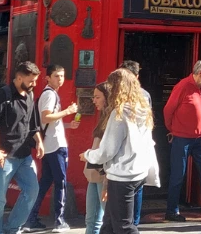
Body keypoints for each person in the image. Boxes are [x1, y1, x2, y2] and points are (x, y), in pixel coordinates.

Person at [80, 69, 159, 234]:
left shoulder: (120, 113)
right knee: (108, 225)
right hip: (138, 172)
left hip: (123, 176)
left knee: (124, 227)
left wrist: (87, 155)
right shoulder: (142, 110)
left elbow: (107, 151)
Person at [0, 62, 45, 234]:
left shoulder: (31, 95)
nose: (34, 84)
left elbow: (33, 124)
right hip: (4, 155)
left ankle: (12, 228)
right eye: (31, 80)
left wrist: (39, 141)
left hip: (24, 155)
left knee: (32, 191)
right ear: (19, 78)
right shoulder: (3, 95)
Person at [163, 60, 201, 223]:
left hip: (199, 138)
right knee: (178, 175)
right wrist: (173, 129)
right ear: (200, 73)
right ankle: (172, 211)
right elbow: (168, 110)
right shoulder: (183, 86)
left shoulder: (200, 88)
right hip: (182, 138)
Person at [26, 65, 80, 232]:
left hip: (49, 144)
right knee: (61, 182)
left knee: (44, 183)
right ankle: (59, 221)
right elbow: (46, 116)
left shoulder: (48, 94)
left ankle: (31, 218)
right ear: (47, 78)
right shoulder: (49, 94)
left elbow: (47, 122)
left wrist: (67, 124)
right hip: (56, 146)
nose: (60, 79)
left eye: (62, 76)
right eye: (56, 76)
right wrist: (68, 111)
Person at [119, 60, 151, 225]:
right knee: (137, 186)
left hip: (126, 147)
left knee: (128, 187)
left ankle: (129, 223)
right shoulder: (145, 95)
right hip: (140, 146)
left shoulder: (118, 95)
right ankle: (133, 223)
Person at [84, 82, 111, 234]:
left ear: (107, 98)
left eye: (97, 97)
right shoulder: (103, 116)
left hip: (103, 172)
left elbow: (109, 151)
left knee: (108, 218)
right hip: (94, 171)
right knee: (92, 220)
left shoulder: (113, 119)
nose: (94, 100)